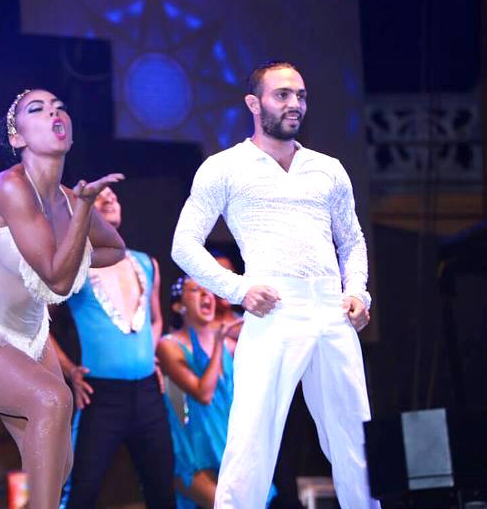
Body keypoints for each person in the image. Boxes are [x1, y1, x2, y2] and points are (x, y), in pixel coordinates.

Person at [171, 61, 380, 508]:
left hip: (330, 310)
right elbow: (183, 244)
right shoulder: (224, 167)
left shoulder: (328, 168)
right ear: (254, 103)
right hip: (273, 310)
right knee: (251, 442)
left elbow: (353, 241)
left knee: (357, 441)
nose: (294, 104)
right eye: (282, 95)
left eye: (300, 96)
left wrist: (358, 292)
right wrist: (238, 289)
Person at [0, 89, 126, 508]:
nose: (54, 112)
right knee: (53, 399)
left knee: (60, 464)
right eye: (37, 110)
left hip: (32, 340)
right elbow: (57, 280)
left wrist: (79, 222)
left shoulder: (72, 201)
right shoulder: (9, 187)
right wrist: (81, 218)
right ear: (18, 138)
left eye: (59, 106)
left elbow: (116, 250)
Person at [52, 186, 175, 508]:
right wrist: (70, 371)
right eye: (99, 197)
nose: (109, 199)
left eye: (114, 196)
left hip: (148, 395)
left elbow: (156, 319)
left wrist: (149, 355)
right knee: (82, 493)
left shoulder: (146, 263)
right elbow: (38, 324)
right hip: (101, 397)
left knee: (162, 492)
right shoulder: (73, 265)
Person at [159, 276, 277, 509]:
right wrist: (218, 344)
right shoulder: (168, 345)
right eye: (196, 291)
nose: (207, 296)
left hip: (227, 446)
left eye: (209, 292)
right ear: (178, 305)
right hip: (191, 452)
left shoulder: (231, 346)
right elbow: (203, 393)